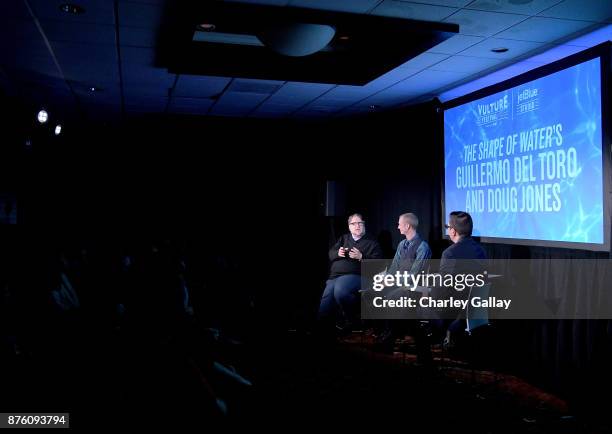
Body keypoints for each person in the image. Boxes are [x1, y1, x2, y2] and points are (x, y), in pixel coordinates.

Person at [374, 213, 432, 351]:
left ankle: (389, 339)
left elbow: (414, 276)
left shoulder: (423, 247)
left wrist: (393, 280)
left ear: (407, 226)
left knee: (390, 298)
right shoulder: (402, 244)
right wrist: (386, 278)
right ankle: (386, 333)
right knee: (374, 292)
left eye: (399, 224)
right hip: (400, 285)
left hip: (415, 289)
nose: (398, 226)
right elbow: (394, 268)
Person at [318, 213, 382, 334]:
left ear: (364, 225)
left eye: (360, 223)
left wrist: (362, 256)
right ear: (349, 226)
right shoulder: (344, 238)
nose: (357, 226)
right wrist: (338, 253)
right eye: (353, 223)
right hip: (335, 277)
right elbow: (331, 254)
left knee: (340, 288)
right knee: (325, 303)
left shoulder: (372, 243)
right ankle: (322, 331)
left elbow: (378, 266)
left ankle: (353, 320)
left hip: (360, 277)